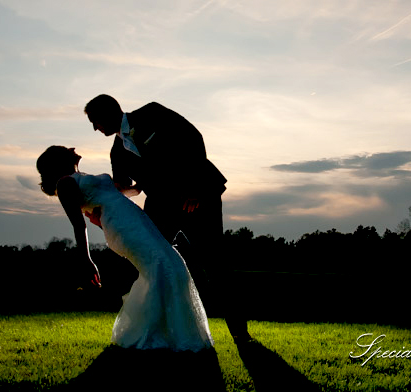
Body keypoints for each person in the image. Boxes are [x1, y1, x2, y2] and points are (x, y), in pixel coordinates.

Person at [84, 94, 251, 341]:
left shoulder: (151, 113)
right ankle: (160, 333)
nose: (95, 128)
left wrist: (194, 187)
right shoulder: (117, 153)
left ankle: (241, 335)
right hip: (161, 206)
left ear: (108, 113)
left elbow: (193, 138)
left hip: (198, 196)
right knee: (150, 261)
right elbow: (129, 189)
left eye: (95, 121)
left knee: (215, 263)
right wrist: (103, 205)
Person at [37, 145, 213, 351]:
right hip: (122, 226)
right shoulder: (65, 183)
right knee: (161, 265)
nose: (72, 147)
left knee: (173, 264)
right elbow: (79, 224)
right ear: (59, 159)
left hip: (136, 218)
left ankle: (167, 330)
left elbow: (128, 192)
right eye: (65, 148)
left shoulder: (81, 177)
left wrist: (144, 181)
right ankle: (155, 334)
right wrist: (87, 260)